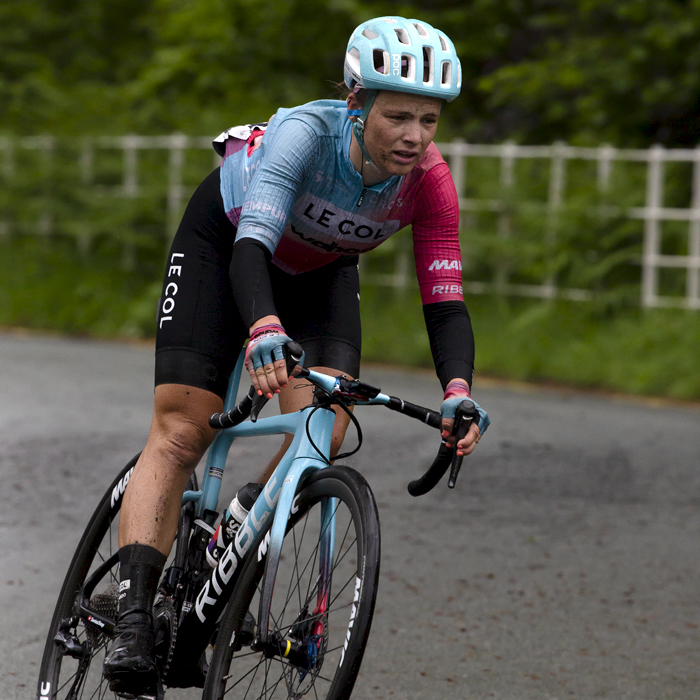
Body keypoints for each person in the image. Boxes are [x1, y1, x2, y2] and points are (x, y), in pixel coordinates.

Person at [103, 15, 490, 698]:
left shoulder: (429, 181)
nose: (414, 136)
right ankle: (134, 616)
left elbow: (445, 300)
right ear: (354, 103)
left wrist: (458, 388)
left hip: (322, 273)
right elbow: (252, 244)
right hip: (227, 246)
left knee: (327, 423)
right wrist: (262, 329)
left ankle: (237, 530)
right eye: (397, 116)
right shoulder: (302, 136)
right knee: (185, 427)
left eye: (429, 120)